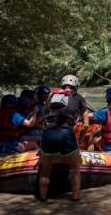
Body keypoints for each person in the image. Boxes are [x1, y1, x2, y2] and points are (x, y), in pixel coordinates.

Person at [38, 74, 93, 202]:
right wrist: (79, 141)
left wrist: (43, 141)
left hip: (47, 133)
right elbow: (85, 124)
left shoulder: (51, 97)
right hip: (65, 133)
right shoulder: (78, 97)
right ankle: (75, 198)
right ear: (76, 86)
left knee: (45, 171)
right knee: (75, 167)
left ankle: (42, 199)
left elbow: (43, 122)